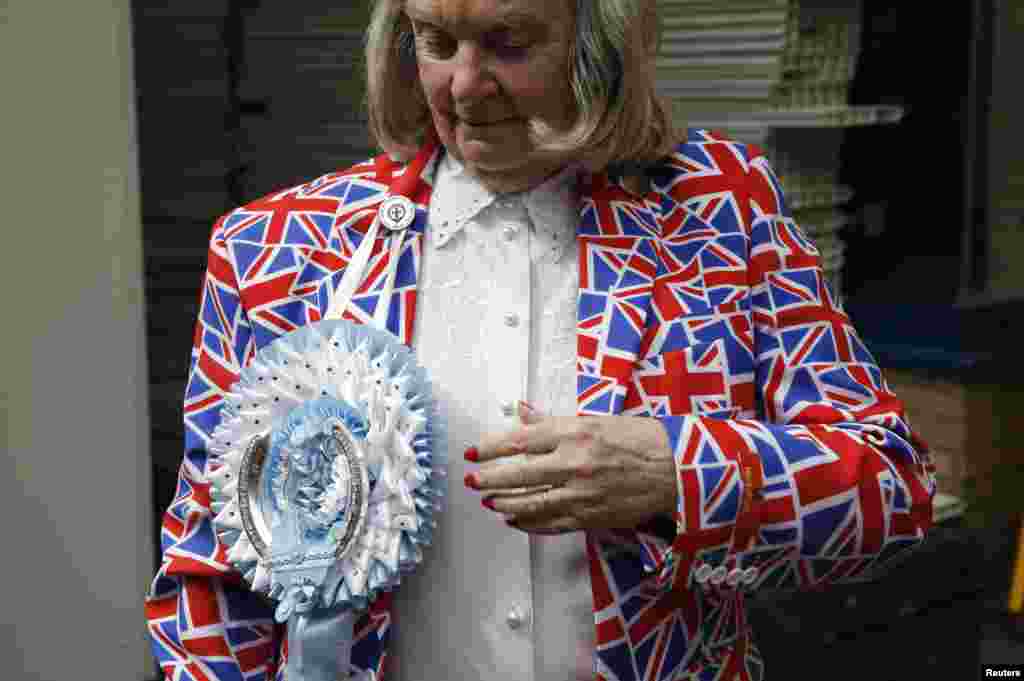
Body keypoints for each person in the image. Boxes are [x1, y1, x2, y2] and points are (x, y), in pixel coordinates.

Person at [144, 0, 938, 679]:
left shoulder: (719, 212)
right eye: (435, 40)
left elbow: (890, 486)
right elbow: (209, 575)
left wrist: (676, 472)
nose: (462, 83)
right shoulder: (275, 252)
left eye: (509, 42)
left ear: (598, 36)